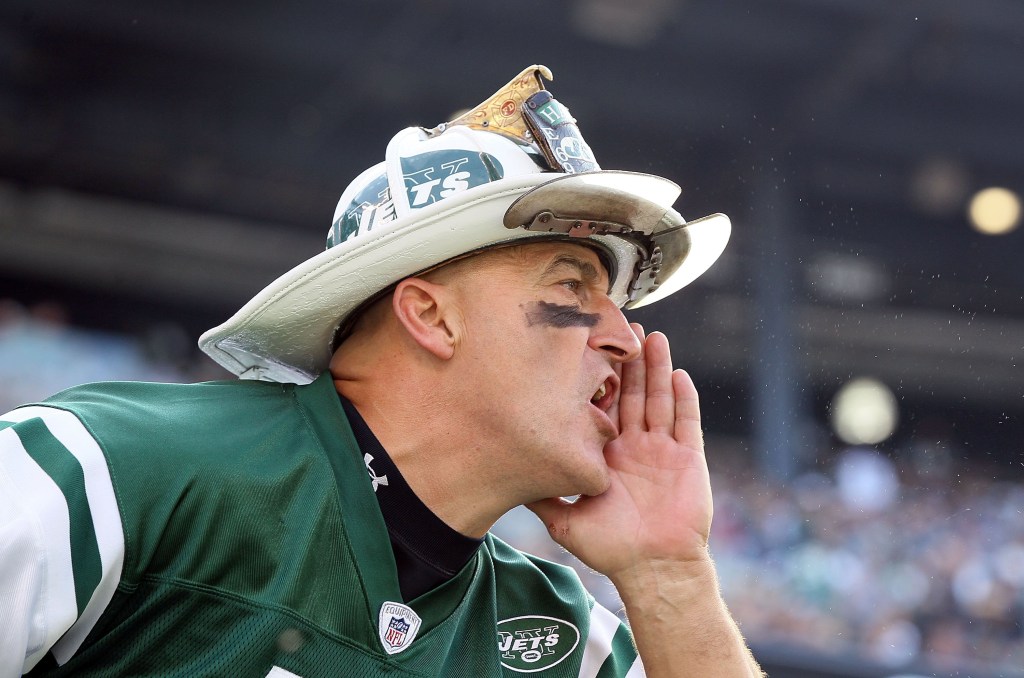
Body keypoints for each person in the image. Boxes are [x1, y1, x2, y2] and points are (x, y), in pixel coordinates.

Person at [0, 65, 763, 677]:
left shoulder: (567, 645)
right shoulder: (102, 472)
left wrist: (670, 575)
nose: (628, 339)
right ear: (430, 316)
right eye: (572, 288)